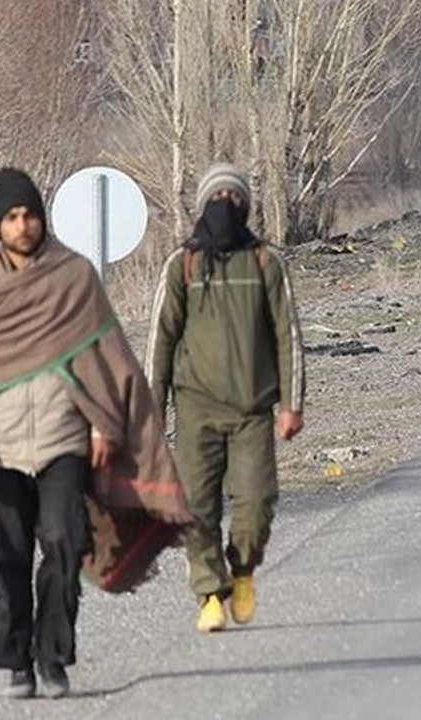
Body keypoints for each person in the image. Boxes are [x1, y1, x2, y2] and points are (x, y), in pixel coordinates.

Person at [0, 168, 191, 700]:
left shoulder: (74, 277)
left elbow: (105, 360)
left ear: (42, 218)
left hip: (63, 443)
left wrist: (103, 425)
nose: (22, 224)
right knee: (6, 554)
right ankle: (16, 662)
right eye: (11, 217)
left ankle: (53, 658)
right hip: (2, 449)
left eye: (29, 214)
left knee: (62, 542)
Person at [148, 163, 306, 633]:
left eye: (233, 199)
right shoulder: (184, 264)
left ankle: (242, 570)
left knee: (256, 504)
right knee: (196, 507)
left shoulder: (265, 262)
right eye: (217, 199)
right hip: (196, 409)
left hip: (254, 410)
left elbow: (288, 335)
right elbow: (160, 341)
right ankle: (209, 594)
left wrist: (291, 405)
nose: (225, 206)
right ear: (202, 207)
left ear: (246, 206)